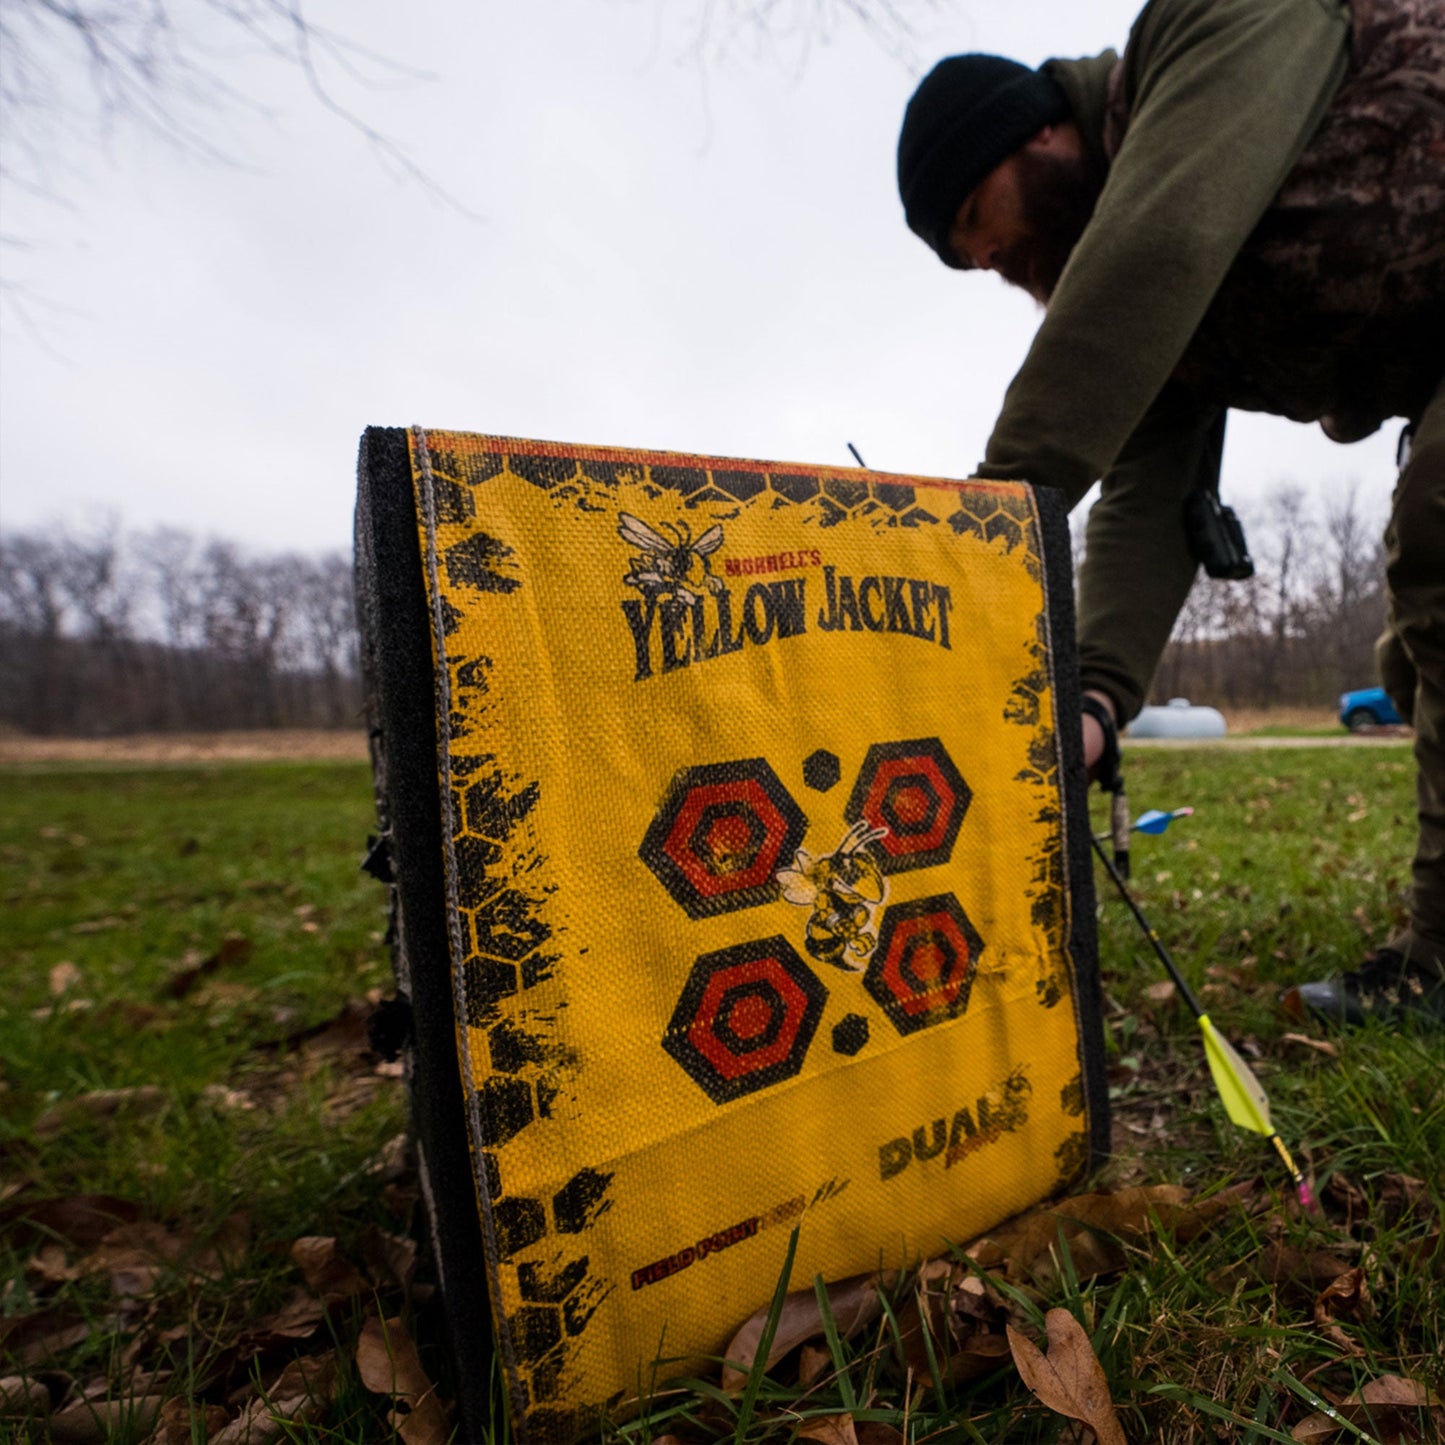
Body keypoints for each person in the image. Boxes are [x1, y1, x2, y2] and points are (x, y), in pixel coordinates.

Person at [895, 0, 1444, 1025]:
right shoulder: (1160, 315)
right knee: (1412, 667)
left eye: (977, 214)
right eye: (971, 261)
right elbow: (1144, 493)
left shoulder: (1213, 28)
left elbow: (1158, 244)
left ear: (1038, 130)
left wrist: (968, 544)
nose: (992, 256)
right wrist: (1093, 701)